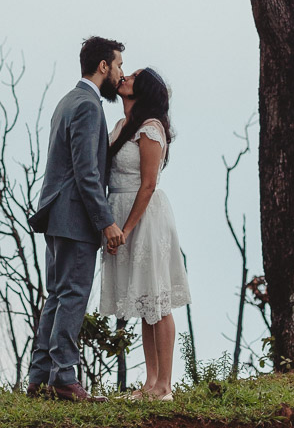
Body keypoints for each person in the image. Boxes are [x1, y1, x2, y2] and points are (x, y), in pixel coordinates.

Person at [25, 36, 126, 402]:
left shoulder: (67, 101)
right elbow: (86, 172)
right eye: (117, 65)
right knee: (72, 295)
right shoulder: (88, 106)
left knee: (58, 294)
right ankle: (64, 378)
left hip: (56, 215)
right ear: (103, 66)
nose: (120, 73)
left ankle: (39, 377)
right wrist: (106, 221)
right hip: (75, 218)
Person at [99, 67, 190, 400]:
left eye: (134, 76)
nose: (125, 76)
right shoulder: (123, 126)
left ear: (145, 90)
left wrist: (126, 229)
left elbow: (149, 184)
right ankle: (150, 382)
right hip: (120, 210)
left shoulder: (151, 129)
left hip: (145, 217)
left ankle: (165, 385)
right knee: (143, 302)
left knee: (158, 300)